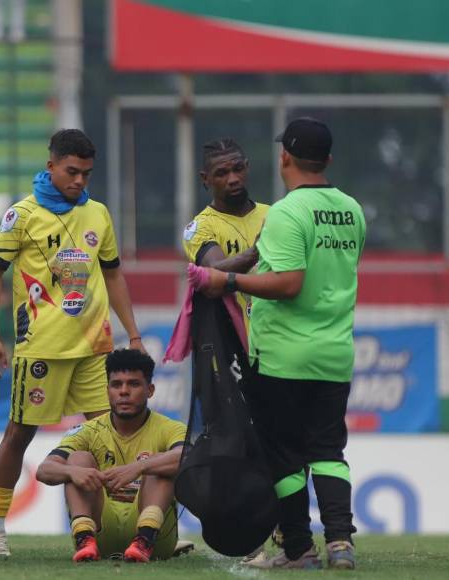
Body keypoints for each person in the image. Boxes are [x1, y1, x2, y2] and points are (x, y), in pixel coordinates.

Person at [203, 118, 365, 570]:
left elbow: (290, 283)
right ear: (328, 159)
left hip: (282, 356)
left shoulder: (286, 213)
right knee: (329, 451)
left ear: (285, 158)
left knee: (286, 456)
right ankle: (340, 544)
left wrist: (229, 279)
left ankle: (298, 549)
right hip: (334, 352)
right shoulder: (352, 209)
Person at [0, 129, 146, 556]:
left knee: (114, 437)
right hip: (41, 349)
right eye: (72, 172)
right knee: (18, 435)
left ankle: (136, 531)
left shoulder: (98, 214)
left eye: (86, 174)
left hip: (94, 349)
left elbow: (112, 274)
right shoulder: (22, 214)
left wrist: (134, 334)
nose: (79, 182)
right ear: (51, 165)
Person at [37, 349, 184, 562]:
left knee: (160, 461)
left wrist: (140, 467)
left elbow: (187, 459)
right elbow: (44, 469)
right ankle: (84, 539)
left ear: (150, 390)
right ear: (107, 391)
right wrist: (73, 472)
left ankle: (144, 539)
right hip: (101, 532)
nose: (124, 392)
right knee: (77, 460)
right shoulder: (88, 430)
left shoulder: (171, 428)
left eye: (133, 384)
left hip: (156, 540)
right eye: (116, 385)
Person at [182, 138, 268, 328]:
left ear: (247, 167)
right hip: (232, 345)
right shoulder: (199, 227)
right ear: (206, 178)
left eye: (238, 169)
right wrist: (259, 249)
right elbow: (214, 271)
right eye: (222, 173)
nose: (233, 179)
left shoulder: (273, 214)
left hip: (277, 338)